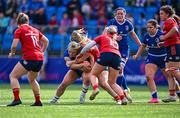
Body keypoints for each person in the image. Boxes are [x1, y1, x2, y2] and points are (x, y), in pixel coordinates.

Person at [7, 12, 49, 106]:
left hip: (29, 57)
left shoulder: (19, 30)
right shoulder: (35, 30)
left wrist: (12, 53)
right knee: (32, 79)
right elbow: (46, 41)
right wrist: (42, 51)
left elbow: (14, 45)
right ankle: (38, 101)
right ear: (28, 21)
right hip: (39, 58)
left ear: (18, 22)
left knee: (13, 76)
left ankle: (17, 99)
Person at [80, 25, 127, 105]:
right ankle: (123, 98)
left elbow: (89, 45)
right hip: (117, 57)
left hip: (105, 55)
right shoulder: (115, 42)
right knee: (112, 83)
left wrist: (81, 52)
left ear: (107, 32)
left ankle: (95, 88)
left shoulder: (102, 37)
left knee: (93, 74)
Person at [133, 19, 173, 103]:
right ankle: (154, 98)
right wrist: (137, 55)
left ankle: (177, 94)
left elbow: (170, 44)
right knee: (148, 76)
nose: (148, 29)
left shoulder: (162, 35)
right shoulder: (146, 36)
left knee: (170, 77)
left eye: (150, 27)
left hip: (163, 58)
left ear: (155, 27)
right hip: (152, 58)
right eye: (147, 27)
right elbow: (143, 46)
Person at [107, 7, 142, 103]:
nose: (119, 15)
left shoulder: (128, 24)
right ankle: (125, 90)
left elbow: (133, 35)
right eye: (118, 13)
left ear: (124, 15)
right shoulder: (111, 22)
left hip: (124, 50)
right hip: (113, 49)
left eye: (121, 14)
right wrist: (114, 37)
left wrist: (141, 45)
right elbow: (106, 34)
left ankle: (122, 92)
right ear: (115, 14)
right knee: (118, 72)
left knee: (120, 68)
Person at [159, 5, 180, 102]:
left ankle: (173, 94)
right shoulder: (168, 21)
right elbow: (173, 35)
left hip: (174, 48)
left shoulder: (169, 20)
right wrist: (164, 43)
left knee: (174, 71)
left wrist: (164, 37)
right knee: (169, 72)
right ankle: (172, 95)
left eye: (162, 13)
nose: (160, 15)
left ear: (167, 14)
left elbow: (175, 30)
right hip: (170, 47)